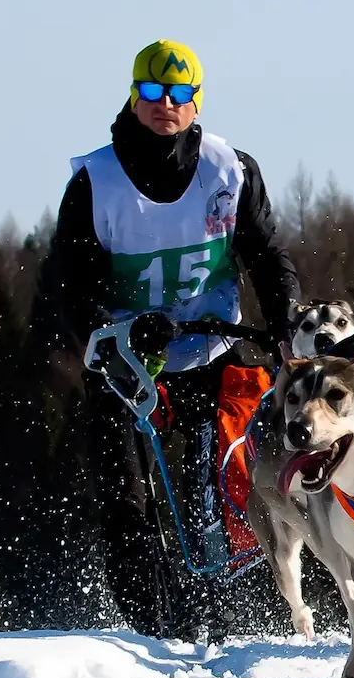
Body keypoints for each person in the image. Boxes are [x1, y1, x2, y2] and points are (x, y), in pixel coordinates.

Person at [41, 39, 301, 641]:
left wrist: (285, 321)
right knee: (128, 504)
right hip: (126, 364)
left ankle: (231, 626)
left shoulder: (229, 170)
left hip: (211, 352)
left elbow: (266, 255)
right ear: (135, 96)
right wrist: (120, 326)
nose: (167, 105)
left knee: (224, 493)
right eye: (155, 92)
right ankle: (145, 634)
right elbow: (70, 287)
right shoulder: (95, 183)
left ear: (196, 100)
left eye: (181, 94)